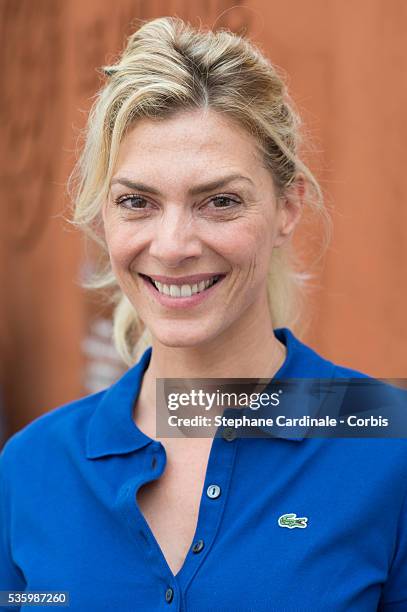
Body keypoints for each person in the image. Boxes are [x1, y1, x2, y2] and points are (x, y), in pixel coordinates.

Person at [1, 16, 406, 612]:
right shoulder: (31, 467)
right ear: (102, 216)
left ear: (288, 206)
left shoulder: (388, 441)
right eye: (137, 201)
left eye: (220, 201)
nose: (172, 245)